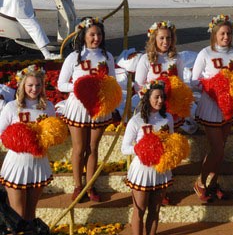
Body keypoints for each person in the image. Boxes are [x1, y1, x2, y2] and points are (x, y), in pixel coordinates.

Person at [57, 17, 116, 202]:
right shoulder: (74, 57)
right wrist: (80, 87)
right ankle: (77, 186)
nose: (96, 38)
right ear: (84, 35)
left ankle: (90, 186)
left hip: (99, 107)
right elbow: (61, 84)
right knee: (79, 148)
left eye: (99, 34)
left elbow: (112, 83)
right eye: (92, 34)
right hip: (78, 107)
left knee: (93, 147)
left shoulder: (107, 57)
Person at [134, 20, 186, 205]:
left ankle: (164, 187)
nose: (165, 41)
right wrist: (150, 96)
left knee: (168, 147)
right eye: (162, 38)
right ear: (154, 39)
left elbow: (180, 81)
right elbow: (138, 85)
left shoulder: (176, 58)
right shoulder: (146, 58)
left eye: (169, 38)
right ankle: (152, 184)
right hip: (151, 109)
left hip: (171, 109)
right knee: (154, 145)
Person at [191, 14, 233, 202]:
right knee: (218, 149)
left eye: (228, 33)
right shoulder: (205, 53)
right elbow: (194, 81)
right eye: (222, 34)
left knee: (220, 148)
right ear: (214, 34)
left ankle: (213, 183)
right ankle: (200, 182)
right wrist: (213, 87)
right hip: (211, 105)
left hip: (228, 107)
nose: (226, 37)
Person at [0, 65, 55, 224]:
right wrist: (17, 139)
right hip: (17, 164)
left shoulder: (48, 107)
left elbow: (51, 133)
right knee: (18, 216)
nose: (34, 89)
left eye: (38, 85)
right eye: (30, 85)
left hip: (38, 164)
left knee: (30, 216)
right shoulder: (12, 107)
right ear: (22, 85)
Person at [121, 80, 174, 235]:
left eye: (162, 97)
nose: (160, 101)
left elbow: (170, 141)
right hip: (142, 171)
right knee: (139, 210)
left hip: (160, 170)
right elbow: (125, 148)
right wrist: (143, 150)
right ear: (147, 98)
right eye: (157, 97)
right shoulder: (136, 120)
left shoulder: (168, 118)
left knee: (155, 210)